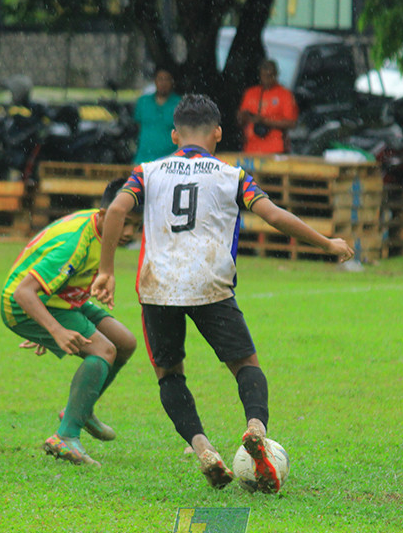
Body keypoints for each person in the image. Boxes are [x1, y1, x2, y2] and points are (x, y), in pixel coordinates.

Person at [92, 94, 353, 490]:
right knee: (246, 364)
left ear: (175, 135)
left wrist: (106, 270)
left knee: (169, 373)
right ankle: (255, 427)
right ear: (217, 133)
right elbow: (274, 215)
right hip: (210, 283)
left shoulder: (147, 172)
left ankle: (202, 448)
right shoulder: (233, 176)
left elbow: (115, 211)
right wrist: (326, 243)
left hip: (158, 287)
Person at [1, 178, 143, 467]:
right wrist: (53, 329)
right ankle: (65, 436)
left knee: (125, 342)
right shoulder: (75, 243)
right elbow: (23, 293)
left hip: (61, 300)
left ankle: (79, 410)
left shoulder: (99, 228)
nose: (129, 233)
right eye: (125, 223)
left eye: (137, 226)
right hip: (25, 304)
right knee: (103, 350)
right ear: (104, 214)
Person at [237, 59, 299, 154]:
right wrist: (244, 117)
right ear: (260, 75)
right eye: (264, 75)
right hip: (251, 148)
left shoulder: (285, 95)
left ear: (276, 75)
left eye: (270, 75)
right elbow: (241, 119)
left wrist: (265, 121)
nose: (267, 79)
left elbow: (292, 123)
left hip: (275, 148)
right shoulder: (251, 93)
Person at [132, 67, 182, 163]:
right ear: (155, 81)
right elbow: (137, 126)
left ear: (172, 82)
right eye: (160, 79)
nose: (163, 83)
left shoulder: (180, 104)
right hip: (143, 159)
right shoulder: (143, 102)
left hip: (170, 161)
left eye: (167, 79)